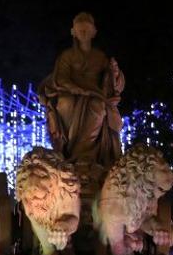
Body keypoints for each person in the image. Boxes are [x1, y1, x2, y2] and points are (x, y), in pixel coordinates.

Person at [39, 12, 125, 188]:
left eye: (87, 30)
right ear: (74, 32)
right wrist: (76, 88)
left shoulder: (100, 58)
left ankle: (86, 156)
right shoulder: (67, 56)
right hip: (71, 93)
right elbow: (60, 78)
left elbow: (111, 83)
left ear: (94, 32)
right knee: (66, 104)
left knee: (98, 107)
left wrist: (114, 73)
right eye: (80, 30)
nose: (84, 33)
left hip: (95, 96)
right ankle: (71, 154)